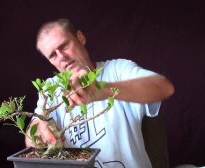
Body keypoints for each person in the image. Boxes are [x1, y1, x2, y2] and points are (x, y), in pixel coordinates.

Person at [25, 18, 174, 168]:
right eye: (53, 55)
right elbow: (32, 136)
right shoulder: (50, 89)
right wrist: (38, 131)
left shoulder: (117, 70)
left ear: (80, 37)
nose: (62, 57)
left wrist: (101, 89)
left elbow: (164, 87)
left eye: (64, 46)